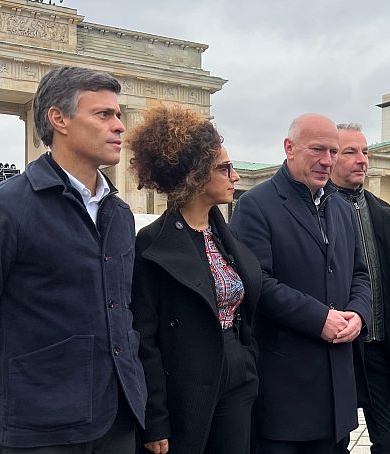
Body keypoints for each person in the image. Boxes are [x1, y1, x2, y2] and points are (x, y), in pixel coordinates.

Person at [0, 67, 145, 451]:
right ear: (59, 119)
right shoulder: (2, 208)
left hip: (117, 421)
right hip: (38, 430)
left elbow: (121, 310)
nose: (120, 126)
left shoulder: (119, 213)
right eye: (103, 114)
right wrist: (6, 382)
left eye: (119, 114)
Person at [229, 113, 371, 454]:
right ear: (289, 148)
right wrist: (318, 318)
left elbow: (360, 273)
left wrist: (358, 313)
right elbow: (256, 281)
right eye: (317, 150)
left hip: (335, 390)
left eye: (334, 152)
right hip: (285, 393)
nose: (327, 161)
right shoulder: (256, 205)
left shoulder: (339, 206)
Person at [127, 105, 261, 454]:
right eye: (225, 168)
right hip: (185, 386)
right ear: (196, 176)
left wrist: (247, 362)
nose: (236, 177)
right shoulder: (151, 245)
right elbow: (145, 338)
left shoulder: (225, 235)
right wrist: (154, 418)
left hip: (236, 376)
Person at [330, 123, 390, 454]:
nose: (361, 159)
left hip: (380, 345)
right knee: (333, 439)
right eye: (350, 152)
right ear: (331, 157)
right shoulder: (318, 207)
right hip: (338, 347)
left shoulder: (381, 211)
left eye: (365, 152)